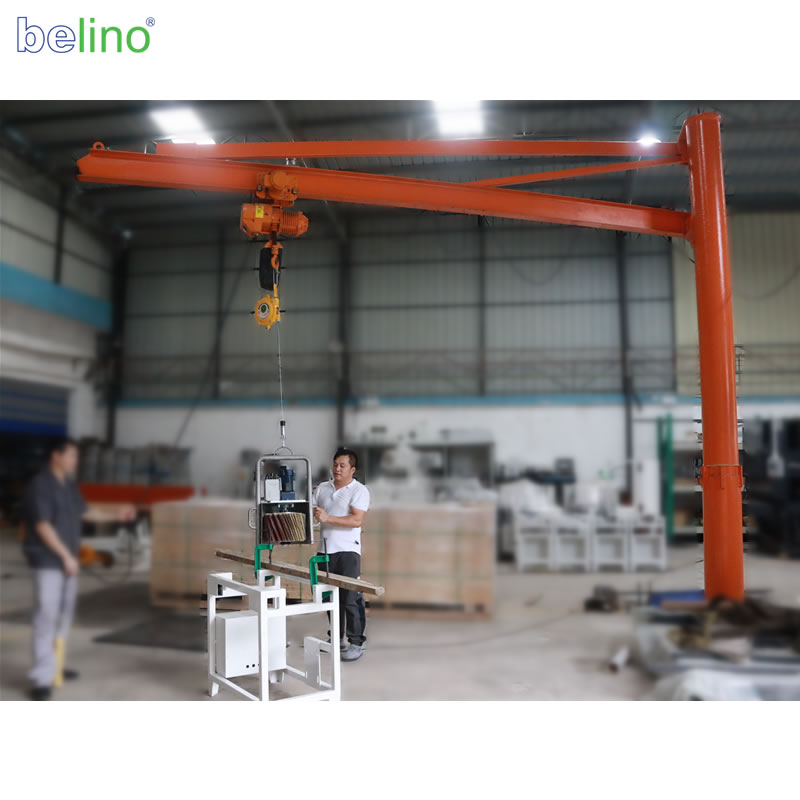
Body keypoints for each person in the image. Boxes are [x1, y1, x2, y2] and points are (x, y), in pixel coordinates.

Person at [21, 438, 135, 700]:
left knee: (64, 615)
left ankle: (56, 665)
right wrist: (66, 556)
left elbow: (84, 512)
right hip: (48, 562)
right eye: (72, 455)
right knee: (46, 616)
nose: (76, 460)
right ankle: (42, 677)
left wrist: (116, 515)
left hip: (67, 562)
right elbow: (42, 526)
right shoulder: (41, 485)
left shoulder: (69, 485)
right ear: (56, 456)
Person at [312, 447, 370, 662]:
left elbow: (356, 520)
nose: (337, 469)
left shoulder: (359, 491)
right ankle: (336, 638)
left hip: (348, 551)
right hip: (325, 550)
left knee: (350, 599)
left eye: (342, 465)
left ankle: (356, 642)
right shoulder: (322, 489)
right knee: (329, 598)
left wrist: (327, 518)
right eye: (335, 464)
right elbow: (312, 513)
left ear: (352, 469)